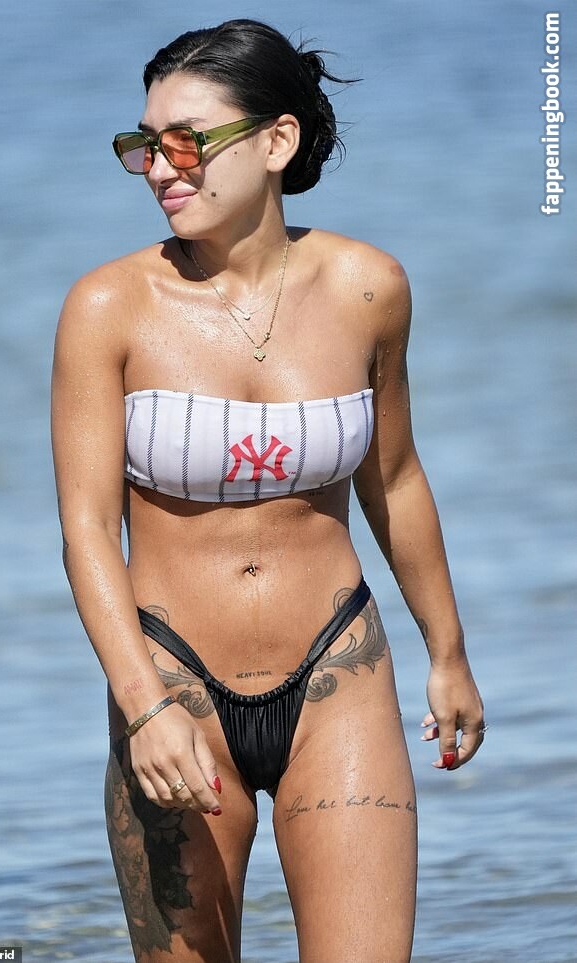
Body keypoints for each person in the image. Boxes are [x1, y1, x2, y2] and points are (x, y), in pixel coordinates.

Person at [51, 18, 485, 963]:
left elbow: (396, 477)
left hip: (340, 674)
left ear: (277, 141)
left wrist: (448, 651)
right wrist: (143, 704)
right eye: (144, 145)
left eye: (186, 142)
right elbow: (86, 528)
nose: (159, 168)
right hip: (173, 687)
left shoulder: (369, 288)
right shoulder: (106, 307)